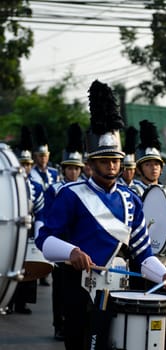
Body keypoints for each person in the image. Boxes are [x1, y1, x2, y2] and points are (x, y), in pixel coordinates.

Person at [35, 80, 166, 350]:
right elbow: (44, 240)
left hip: (116, 289)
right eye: (105, 160)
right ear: (90, 163)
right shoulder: (70, 194)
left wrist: (163, 275)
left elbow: (143, 252)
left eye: (115, 160)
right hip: (77, 288)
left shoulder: (131, 200)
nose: (112, 166)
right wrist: (71, 252)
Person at [44, 123, 84, 341]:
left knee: (77, 290)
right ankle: (58, 324)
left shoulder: (86, 189)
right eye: (70, 168)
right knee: (59, 288)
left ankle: (73, 323)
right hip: (61, 244)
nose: (74, 172)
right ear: (63, 169)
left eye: (77, 168)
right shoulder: (54, 189)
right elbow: (50, 216)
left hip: (78, 244)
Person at [8, 126, 45, 314]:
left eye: (28, 164)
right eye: (22, 164)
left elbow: (41, 212)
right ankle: (8, 300)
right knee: (11, 263)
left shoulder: (37, 187)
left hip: (29, 231)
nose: (26, 167)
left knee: (28, 267)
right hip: (13, 230)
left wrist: (38, 235)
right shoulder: (10, 185)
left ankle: (22, 303)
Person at [30, 124, 59, 286]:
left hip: (52, 212)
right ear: (35, 156)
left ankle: (48, 269)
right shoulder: (31, 173)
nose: (43, 159)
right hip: (38, 213)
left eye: (45, 155)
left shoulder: (54, 173)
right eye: (40, 156)